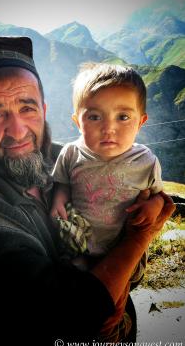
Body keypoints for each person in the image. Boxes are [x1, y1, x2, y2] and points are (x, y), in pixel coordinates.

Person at [0, 36, 175, 346]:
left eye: (27, 108)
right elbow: (76, 316)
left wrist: (115, 287)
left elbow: (125, 221)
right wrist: (140, 236)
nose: (18, 130)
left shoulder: (69, 159)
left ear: (44, 110)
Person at [51, 62, 163, 267]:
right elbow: (62, 183)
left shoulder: (146, 161)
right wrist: (59, 201)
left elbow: (159, 196)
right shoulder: (71, 153)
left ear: (140, 122)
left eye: (123, 117)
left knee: (119, 281)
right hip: (79, 244)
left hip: (122, 249)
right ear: (78, 122)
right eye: (94, 117)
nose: (108, 128)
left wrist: (153, 206)